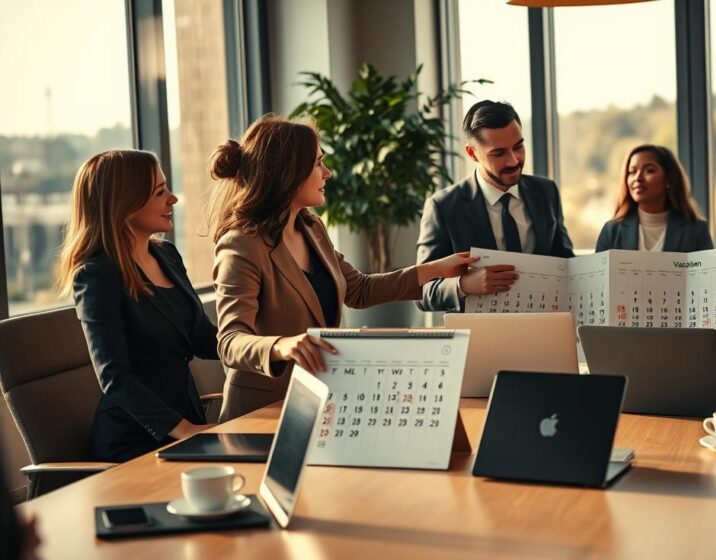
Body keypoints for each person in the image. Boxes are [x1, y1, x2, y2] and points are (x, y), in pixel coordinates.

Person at [211, 115, 476, 421]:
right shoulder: (241, 245)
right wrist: (281, 346)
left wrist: (437, 269)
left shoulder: (311, 227)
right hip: (261, 414)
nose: (328, 172)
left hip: (319, 401)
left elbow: (359, 289)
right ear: (288, 173)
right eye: (317, 164)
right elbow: (230, 341)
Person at [56, 150, 216, 462]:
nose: (173, 199)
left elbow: (201, 338)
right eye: (160, 192)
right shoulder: (96, 276)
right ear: (125, 206)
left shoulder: (167, 255)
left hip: (187, 422)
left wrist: (266, 348)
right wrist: (183, 430)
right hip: (135, 442)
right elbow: (115, 377)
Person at [417, 100, 575, 312]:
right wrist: (463, 286)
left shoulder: (546, 192)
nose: (513, 160)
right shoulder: (443, 207)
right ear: (472, 153)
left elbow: (565, 263)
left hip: (544, 328)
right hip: (480, 337)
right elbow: (421, 292)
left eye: (518, 147)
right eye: (499, 153)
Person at [595, 144, 712, 253]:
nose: (638, 178)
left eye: (649, 170)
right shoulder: (612, 231)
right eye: (632, 172)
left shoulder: (696, 230)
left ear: (669, 178)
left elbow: (706, 273)